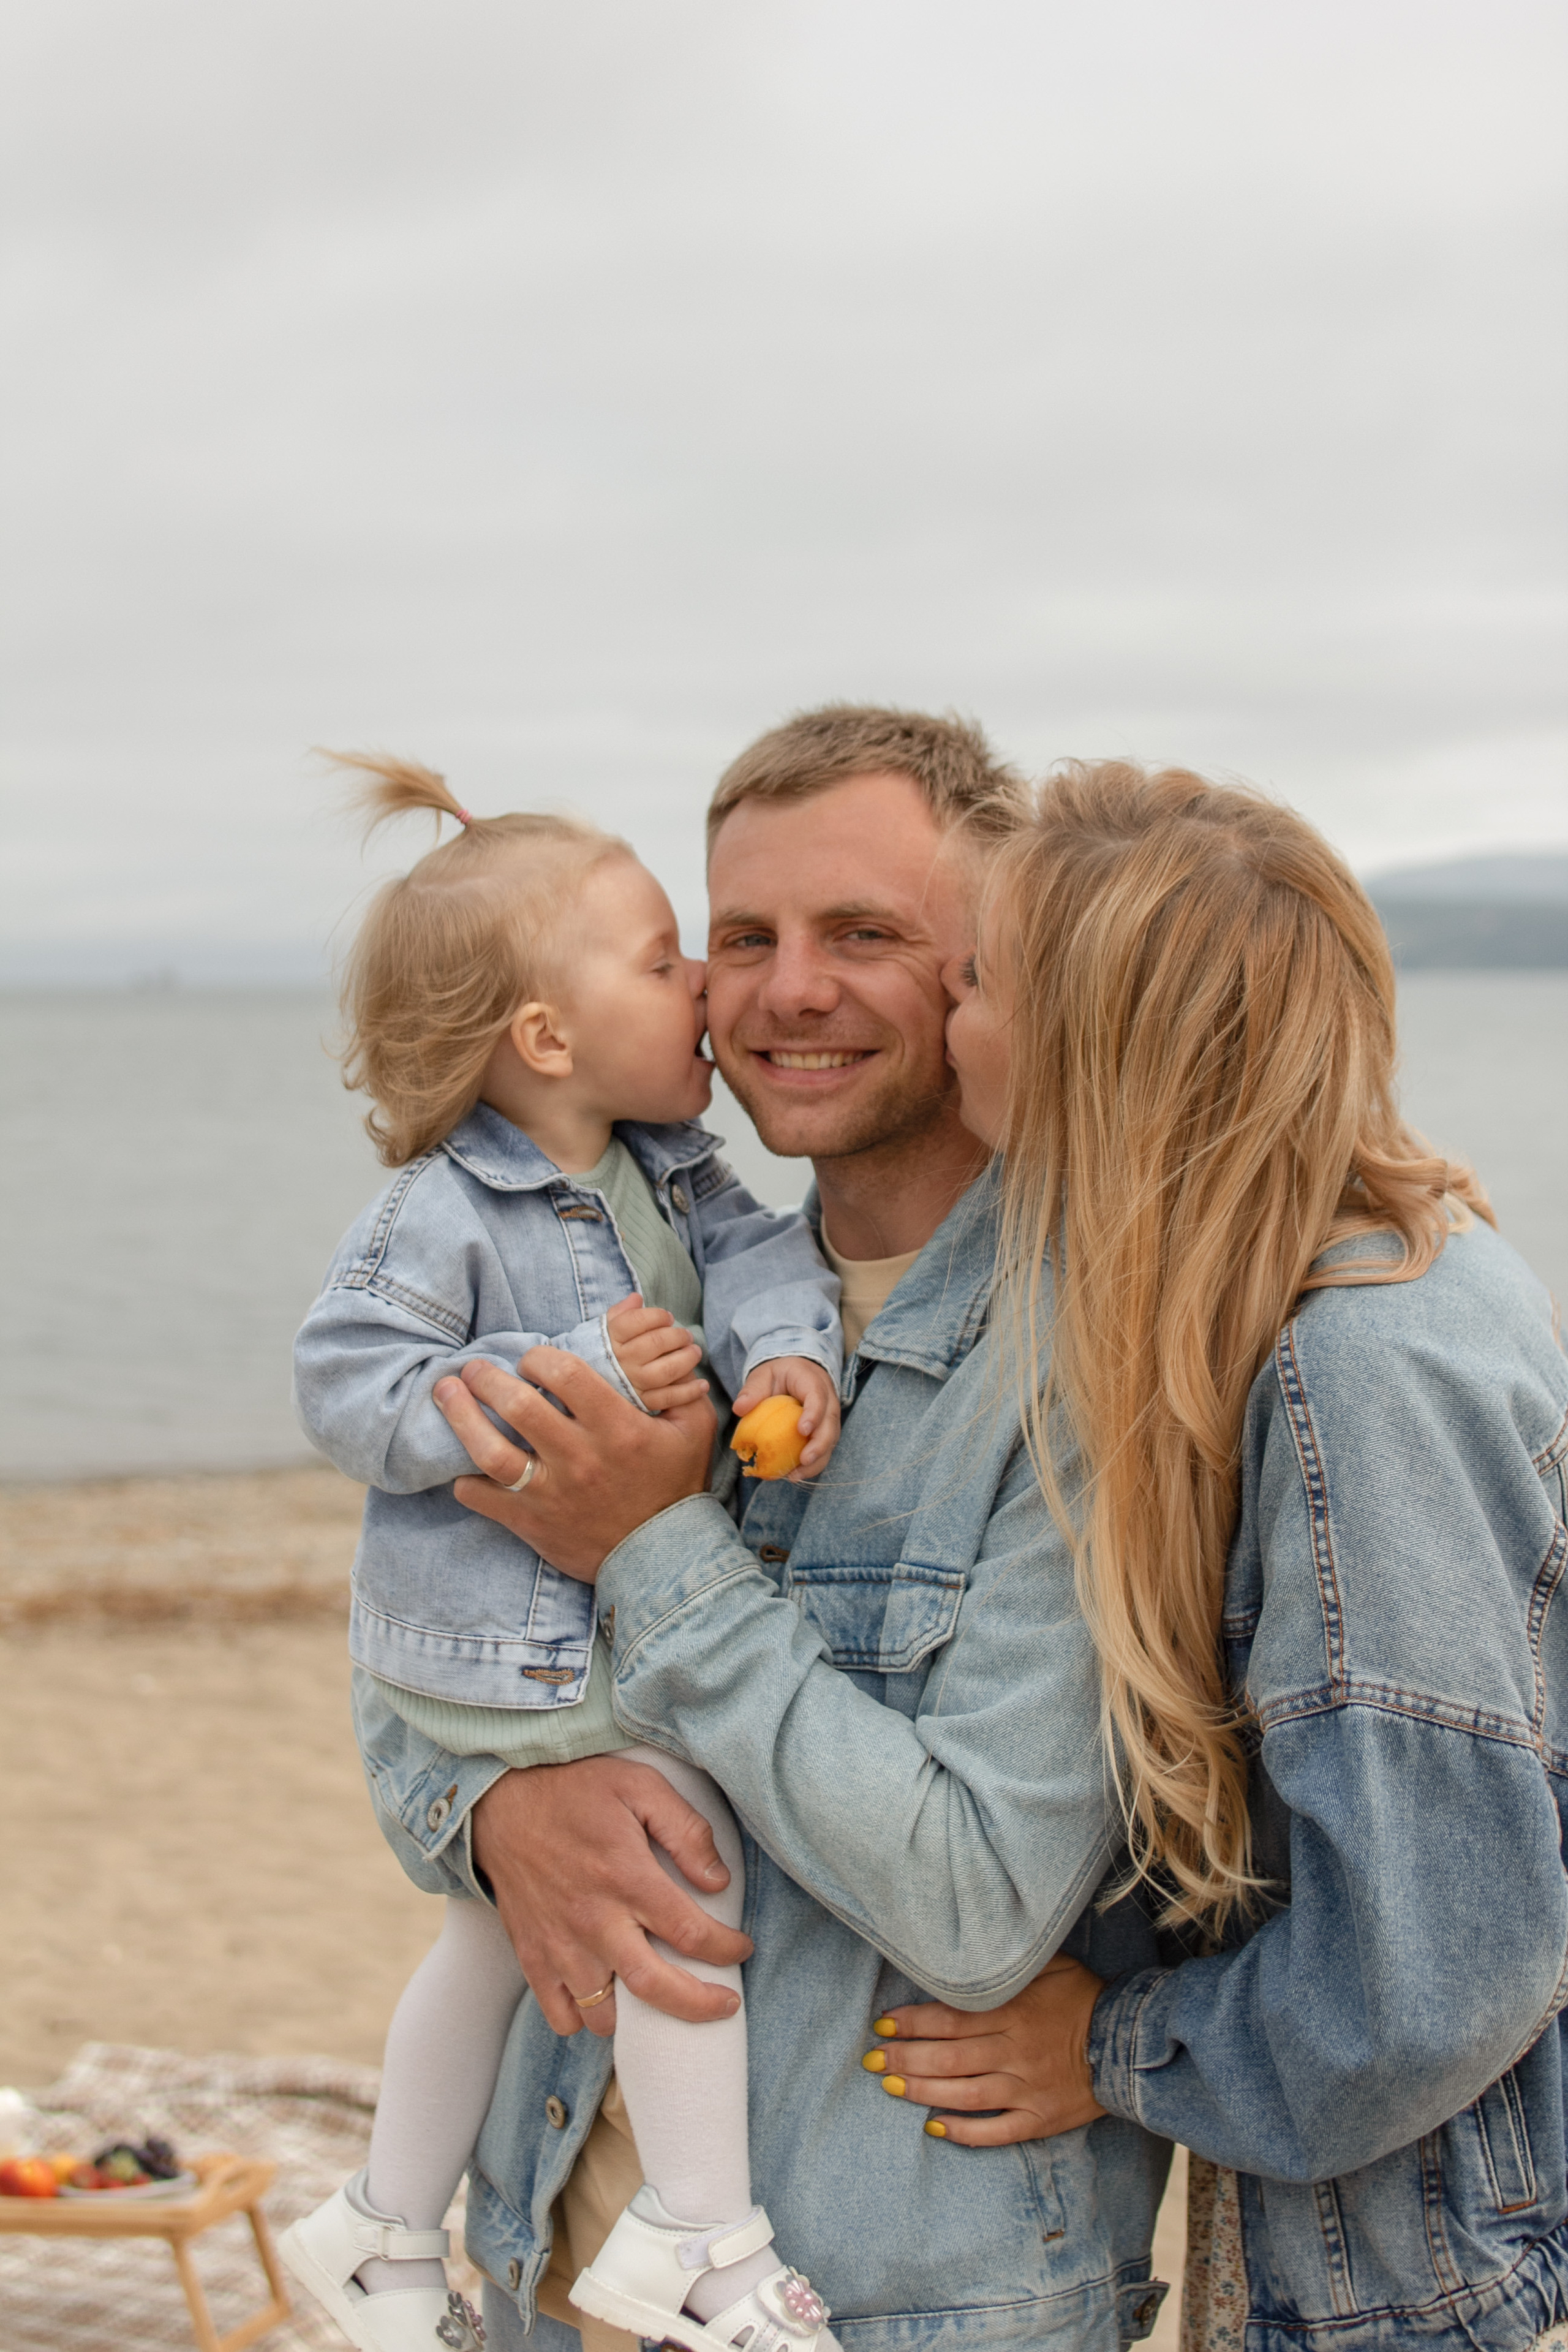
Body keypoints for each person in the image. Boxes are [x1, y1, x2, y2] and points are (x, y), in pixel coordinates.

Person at [371, 705, 1177, 2352]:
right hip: (541, 2267)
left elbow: (978, 1907)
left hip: (893, 2308)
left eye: (864, 935)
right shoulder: (647, 1287)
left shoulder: (1093, 1361)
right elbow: (415, 1655)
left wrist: (653, 1548)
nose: (786, 991)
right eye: (741, 939)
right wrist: (497, 1813)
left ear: (984, 977)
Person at [883, 760, 1568, 2352]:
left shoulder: (1363, 1378)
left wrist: (1112, 2048)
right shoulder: (1377, 1275)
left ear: (1090, 1051)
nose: (940, 1006)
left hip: (1421, 2290)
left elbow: (1429, 1980)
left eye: (977, 979)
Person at [282, 754, 846, 2352]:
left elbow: (763, 1262)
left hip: (593, 1630)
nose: (706, 989)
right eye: (665, 963)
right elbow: (346, 1384)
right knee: (676, 1866)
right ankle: (701, 2233)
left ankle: (383, 2226)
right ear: (547, 1037)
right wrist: (560, 1388)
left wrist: (788, 1358)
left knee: (487, 1940)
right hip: (500, 1644)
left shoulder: (673, 1169)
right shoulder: (445, 1210)